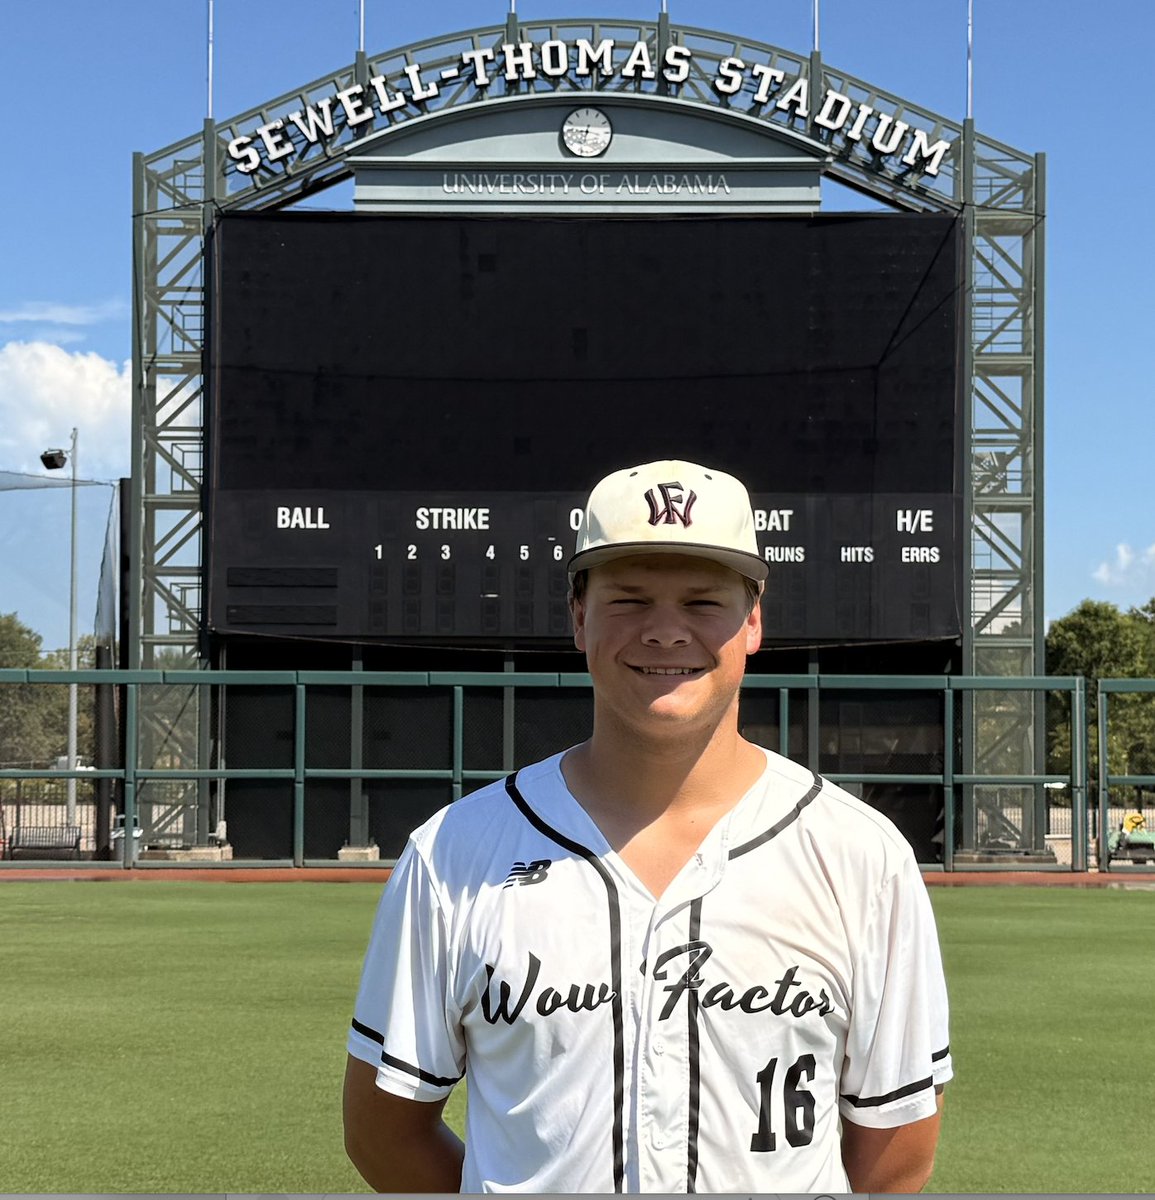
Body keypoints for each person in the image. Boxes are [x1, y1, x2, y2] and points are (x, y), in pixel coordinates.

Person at [343, 459, 952, 1193]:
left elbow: (896, 1153)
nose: (665, 632)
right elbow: (384, 1134)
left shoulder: (860, 855)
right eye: (629, 600)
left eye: (702, 602)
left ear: (752, 619)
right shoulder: (454, 852)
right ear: (578, 616)